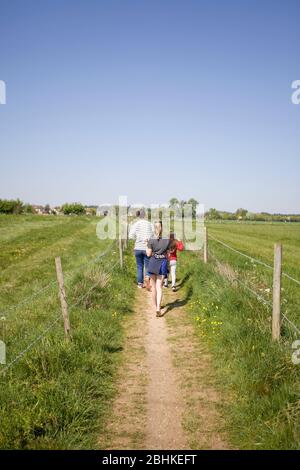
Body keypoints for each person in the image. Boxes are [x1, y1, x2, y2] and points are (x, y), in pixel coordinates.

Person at [146, 221, 170, 317]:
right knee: (159, 286)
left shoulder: (151, 240)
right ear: (162, 228)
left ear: (154, 228)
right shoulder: (167, 240)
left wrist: (146, 244)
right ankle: (158, 308)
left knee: (153, 288)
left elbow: (148, 254)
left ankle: (155, 306)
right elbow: (168, 254)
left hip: (152, 263)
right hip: (162, 263)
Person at [129, 209, 153, 289]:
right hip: (147, 247)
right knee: (147, 266)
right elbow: (154, 234)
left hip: (138, 247)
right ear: (145, 215)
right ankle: (147, 279)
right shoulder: (150, 224)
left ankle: (140, 283)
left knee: (139, 266)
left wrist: (137, 238)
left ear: (138, 215)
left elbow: (130, 236)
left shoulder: (135, 224)